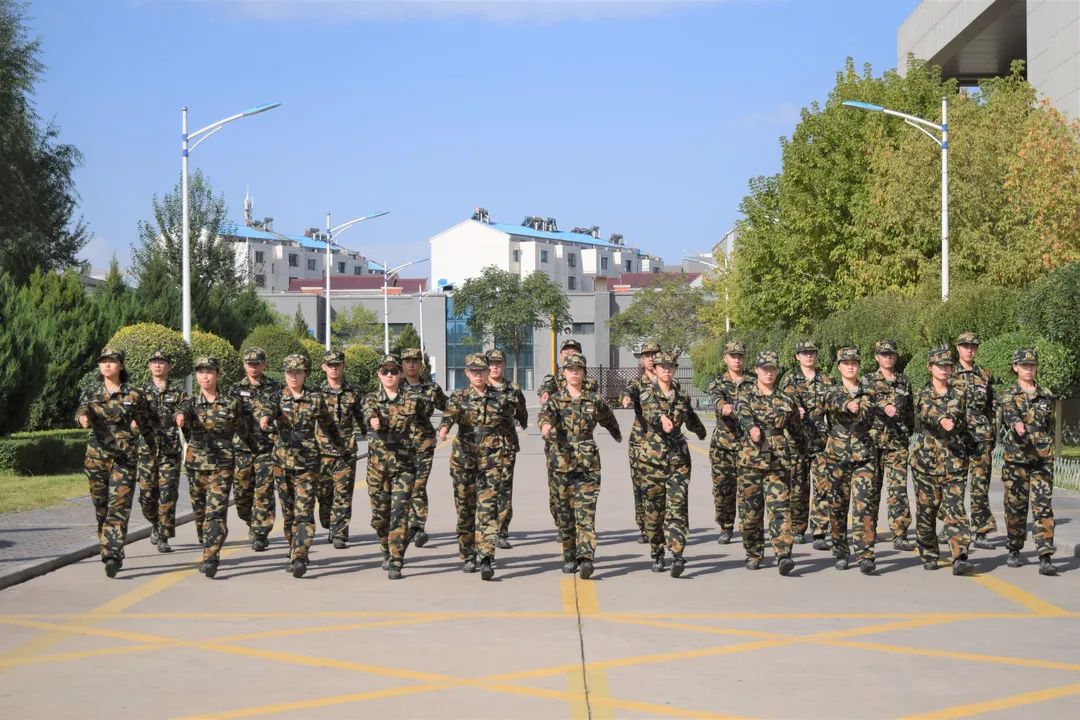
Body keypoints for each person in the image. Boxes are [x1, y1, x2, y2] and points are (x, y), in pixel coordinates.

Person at [258, 354, 345, 578]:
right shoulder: (277, 396)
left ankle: (299, 555)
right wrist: (265, 419)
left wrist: (341, 447)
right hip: (282, 463)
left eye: (298, 372)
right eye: (289, 372)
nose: (293, 377)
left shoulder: (315, 398)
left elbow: (328, 424)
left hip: (308, 463)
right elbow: (268, 409)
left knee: (304, 512)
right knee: (289, 513)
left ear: (305, 374)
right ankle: (293, 547)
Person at [539, 352, 622, 578]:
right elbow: (544, 418)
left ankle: (586, 557)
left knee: (586, 512)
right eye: (570, 369)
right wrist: (546, 428)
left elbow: (608, 418)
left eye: (578, 369)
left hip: (588, 463)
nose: (574, 372)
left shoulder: (593, 400)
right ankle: (569, 556)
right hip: (561, 462)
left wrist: (616, 434)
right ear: (564, 373)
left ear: (584, 373)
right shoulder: (555, 400)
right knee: (565, 513)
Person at [75, 347, 156, 578]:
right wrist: (83, 417)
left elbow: (146, 424)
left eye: (112, 361)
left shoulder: (134, 395)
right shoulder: (91, 392)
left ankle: (113, 554)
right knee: (101, 508)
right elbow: (82, 409)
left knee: (118, 506)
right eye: (103, 361)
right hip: (97, 458)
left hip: (124, 458)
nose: (107, 365)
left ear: (121, 365)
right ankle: (108, 545)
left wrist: (153, 450)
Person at [438, 353, 517, 581]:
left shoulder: (500, 398)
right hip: (464, 460)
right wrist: (444, 428)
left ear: (487, 372)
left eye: (482, 370)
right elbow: (449, 416)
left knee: (488, 509)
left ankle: (486, 557)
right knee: (465, 510)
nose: (479, 375)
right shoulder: (459, 397)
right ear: (467, 373)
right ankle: (468, 554)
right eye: (474, 371)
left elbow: (507, 425)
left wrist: (510, 446)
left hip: (491, 460)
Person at [175, 356, 255, 578]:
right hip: (196, 467)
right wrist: (180, 417)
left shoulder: (231, 403)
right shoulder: (190, 402)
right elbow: (181, 413)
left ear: (217, 375)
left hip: (222, 465)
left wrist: (258, 452)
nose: (205, 376)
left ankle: (211, 557)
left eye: (209, 372)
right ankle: (210, 540)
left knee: (216, 511)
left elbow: (244, 430)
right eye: (201, 372)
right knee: (201, 513)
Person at [637, 352, 707, 577]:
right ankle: (657, 553)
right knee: (654, 510)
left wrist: (701, 431)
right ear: (655, 369)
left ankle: (677, 553)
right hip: (652, 462)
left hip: (679, 460)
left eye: (670, 366)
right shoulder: (647, 393)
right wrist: (662, 419)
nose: (666, 369)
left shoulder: (682, 396)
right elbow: (652, 412)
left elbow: (691, 417)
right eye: (662, 366)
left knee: (678, 506)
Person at [362, 354, 428, 580]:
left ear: (400, 374)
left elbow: (424, 425)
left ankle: (396, 561)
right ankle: (385, 547)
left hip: (404, 466)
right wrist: (372, 421)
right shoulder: (371, 398)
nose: (389, 375)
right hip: (377, 467)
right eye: (385, 371)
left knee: (399, 513)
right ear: (378, 374)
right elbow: (368, 413)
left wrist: (425, 444)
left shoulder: (412, 399)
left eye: (393, 371)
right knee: (380, 516)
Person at [910, 345, 975, 576]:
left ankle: (960, 555)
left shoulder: (960, 392)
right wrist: (941, 419)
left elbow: (965, 421)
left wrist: (973, 449)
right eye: (940, 365)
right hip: (926, 462)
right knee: (927, 511)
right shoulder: (922, 392)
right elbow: (925, 410)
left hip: (954, 460)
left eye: (948, 365)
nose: (945, 369)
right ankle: (929, 551)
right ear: (930, 367)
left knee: (955, 508)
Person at [735, 350, 798, 575]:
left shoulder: (787, 399)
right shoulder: (746, 395)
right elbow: (742, 414)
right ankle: (753, 553)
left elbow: (797, 429)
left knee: (780, 509)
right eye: (765, 369)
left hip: (777, 462)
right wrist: (751, 427)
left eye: (772, 369)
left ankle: (783, 554)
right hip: (751, 461)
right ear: (756, 370)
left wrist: (807, 450)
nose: (769, 373)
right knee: (751, 512)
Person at [999, 348, 1058, 576]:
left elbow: (1050, 425)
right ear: (1015, 367)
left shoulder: (1047, 395)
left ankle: (1045, 554)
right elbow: (1009, 414)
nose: (1029, 369)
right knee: (1015, 507)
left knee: (1043, 506)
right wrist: (1017, 424)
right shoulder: (1008, 394)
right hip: (1016, 460)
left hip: (1042, 460)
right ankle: (1014, 548)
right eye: (1024, 365)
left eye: (1032, 365)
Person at [822, 347, 880, 574]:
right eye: (846, 363)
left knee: (864, 505)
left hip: (863, 456)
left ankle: (865, 554)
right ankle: (840, 551)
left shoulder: (869, 392)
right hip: (837, 457)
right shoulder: (832, 390)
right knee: (837, 506)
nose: (850, 366)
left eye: (854, 363)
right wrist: (847, 404)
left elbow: (872, 413)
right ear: (839, 367)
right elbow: (832, 400)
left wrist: (859, 404)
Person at [862, 339, 916, 551]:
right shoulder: (868, 380)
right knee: (871, 489)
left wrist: (907, 433)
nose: (888, 357)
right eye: (884, 354)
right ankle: (868, 531)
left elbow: (909, 412)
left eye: (891, 354)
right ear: (877, 357)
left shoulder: (904, 381)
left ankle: (900, 533)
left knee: (898, 490)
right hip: (872, 442)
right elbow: (869, 400)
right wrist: (884, 406)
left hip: (897, 443)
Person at [780, 340, 833, 547]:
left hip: (821, 440)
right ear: (797, 356)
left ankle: (819, 531)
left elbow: (833, 406)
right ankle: (798, 528)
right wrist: (794, 410)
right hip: (797, 440)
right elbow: (782, 403)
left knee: (823, 486)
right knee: (798, 487)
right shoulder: (789, 379)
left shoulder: (826, 379)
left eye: (812, 352)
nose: (809, 356)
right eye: (804, 353)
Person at [228, 347, 281, 551]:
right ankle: (251, 521)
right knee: (242, 493)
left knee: (264, 491)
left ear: (264, 365)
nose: (253, 367)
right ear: (244, 365)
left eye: (257, 363)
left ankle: (261, 533)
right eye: (249, 364)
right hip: (242, 448)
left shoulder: (276, 388)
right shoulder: (235, 389)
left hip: (266, 448)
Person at [539, 339, 597, 525]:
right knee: (557, 490)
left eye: (574, 352)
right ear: (561, 355)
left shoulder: (588, 382)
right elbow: (546, 390)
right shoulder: (553, 380)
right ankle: (562, 522)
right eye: (566, 352)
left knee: (582, 488)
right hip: (556, 442)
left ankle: (579, 526)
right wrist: (546, 395)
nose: (570, 354)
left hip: (582, 444)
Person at [136, 349, 187, 553]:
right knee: (147, 496)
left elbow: (185, 407)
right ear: (149, 366)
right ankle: (156, 523)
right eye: (154, 362)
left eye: (162, 362)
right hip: (147, 449)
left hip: (170, 450)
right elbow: (131, 410)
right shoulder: (139, 392)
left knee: (168, 494)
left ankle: (164, 536)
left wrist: (181, 416)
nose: (158, 365)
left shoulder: (178, 392)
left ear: (169, 366)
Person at [315, 349, 365, 550]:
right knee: (324, 494)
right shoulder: (315, 393)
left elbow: (363, 417)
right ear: (324, 367)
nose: (334, 368)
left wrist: (372, 431)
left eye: (337, 365)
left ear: (344, 366)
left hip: (345, 452)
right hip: (321, 452)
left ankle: (339, 533)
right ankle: (328, 521)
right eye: (330, 365)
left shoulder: (353, 392)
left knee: (343, 494)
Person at [400, 347, 448, 548]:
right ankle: (401, 526)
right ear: (402, 364)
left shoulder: (431, 388)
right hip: (398, 446)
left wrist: (444, 425)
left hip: (424, 444)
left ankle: (417, 527)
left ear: (421, 364)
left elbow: (450, 408)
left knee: (418, 485)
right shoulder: (394, 385)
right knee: (402, 487)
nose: (411, 365)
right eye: (407, 361)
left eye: (415, 361)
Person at [707, 341, 753, 545]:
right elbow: (716, 398)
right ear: (725, 358)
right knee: (723, 490)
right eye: (733, 356)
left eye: (740, 356)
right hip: (723, 447)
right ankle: (726, 526)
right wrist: (723, 406)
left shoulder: (754, 382)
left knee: (748, 489)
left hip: (748, 445)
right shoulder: (718, 383)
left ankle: (747, 527)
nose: (737, 360)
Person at [954, 332, 997, 550]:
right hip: (956, 436)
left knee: (980, 484)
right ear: (958, 348)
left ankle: (981, 531)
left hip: (981, 437)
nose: (970, 350)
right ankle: (953, 527)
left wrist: (992, 433)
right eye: (965, 346)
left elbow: (991, 407)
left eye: (973, 346)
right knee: (955, 485)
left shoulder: (985, 374)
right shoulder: (948, 372)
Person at [620, 341, 663, 544]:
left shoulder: (668, 381)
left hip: (665, 442)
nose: (651, 358)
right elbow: (629, 391)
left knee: (663, 487)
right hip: (641, 441)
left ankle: (661, 526)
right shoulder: (637, 382)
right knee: (640, 486)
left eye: (654, 354)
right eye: (647, 355)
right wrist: (626, 398)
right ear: (642, 360)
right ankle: (645, 527)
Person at [486, 348, 528, 549]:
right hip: (482, 448)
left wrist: (523, 423)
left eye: (498, 363)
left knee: (504, 489)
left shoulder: (514, 390)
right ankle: (485, 528)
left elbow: (522, 412)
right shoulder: (480, 387)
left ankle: (501, 531)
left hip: (506, 446)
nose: (495, 367)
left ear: (504, 365)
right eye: (491, 363)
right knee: (485, 490)